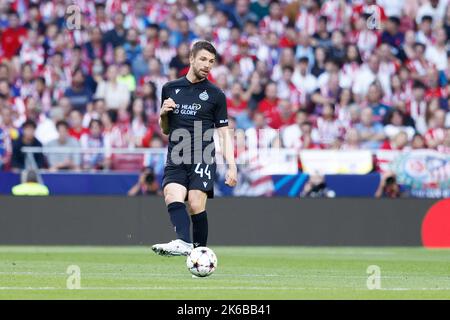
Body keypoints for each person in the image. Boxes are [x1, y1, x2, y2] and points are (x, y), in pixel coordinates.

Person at [152, 40, 237, 256]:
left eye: (211, 61)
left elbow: (224, 133)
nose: (208, 65)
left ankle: (200, 256)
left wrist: (232, 166)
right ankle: (184, 243)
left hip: (202, 154)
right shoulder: (170, 88)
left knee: (196, 203)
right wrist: (162, 115)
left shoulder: (216, 95)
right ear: (191, 58)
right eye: (203, 59)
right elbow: (165, 130)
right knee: (172, 195)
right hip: (177, 154)